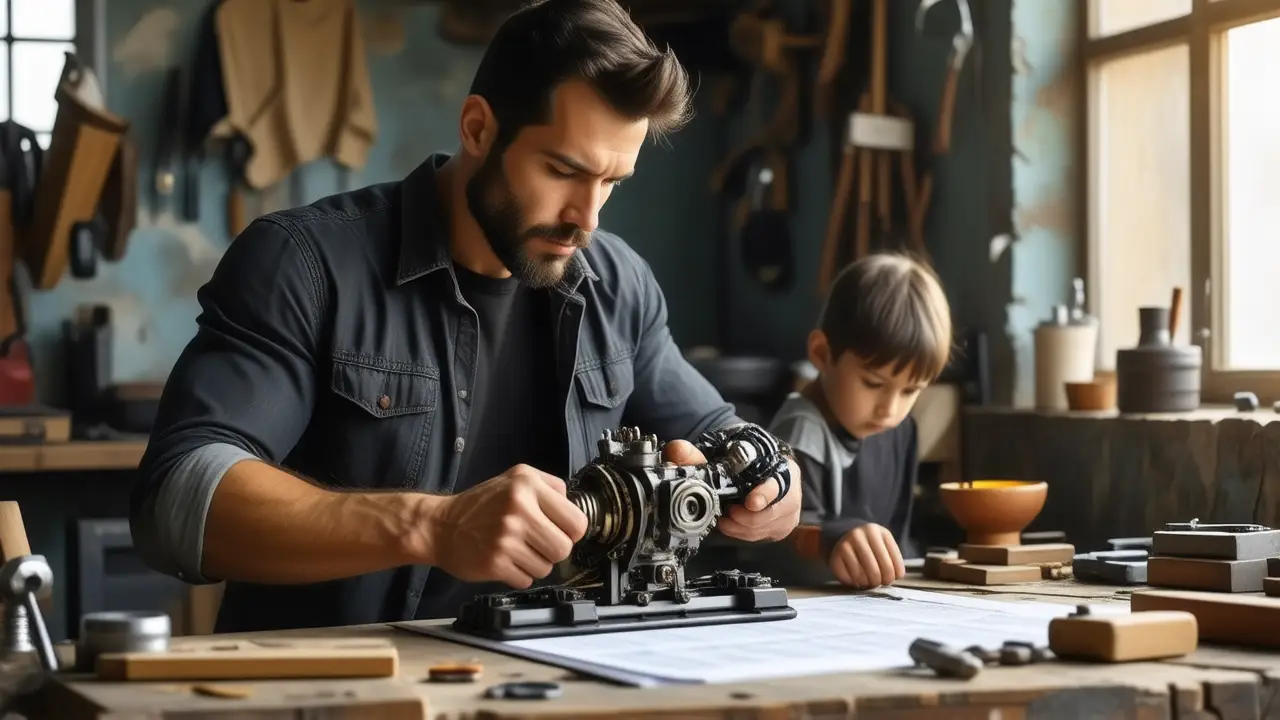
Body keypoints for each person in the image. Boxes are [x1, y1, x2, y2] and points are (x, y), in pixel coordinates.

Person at [131, 0, 801, 633]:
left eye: (611, 182)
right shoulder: (305, 263)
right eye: (563, 170)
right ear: (478, 127)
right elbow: (177, 502)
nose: (587, 220)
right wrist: (433, 526)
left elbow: (726, 435)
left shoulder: (617, 285)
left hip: (551, 685)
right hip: (341, 690)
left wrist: (772, 485)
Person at [761, 253, 952, 589]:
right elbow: (779, 548)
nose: (890, 409)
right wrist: (834, 542)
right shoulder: (799, 435)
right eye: (873, 384)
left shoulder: (901, 429)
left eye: (911, 390)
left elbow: (898, 538)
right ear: (822, 354)